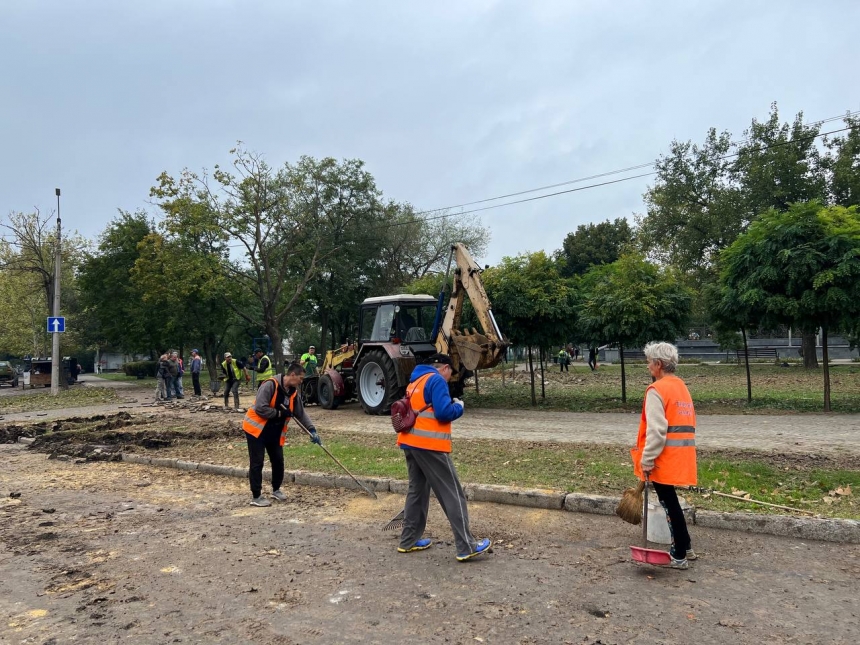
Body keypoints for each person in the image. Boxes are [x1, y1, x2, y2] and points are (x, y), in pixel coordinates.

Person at [397, 353, 491, 562]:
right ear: (445, 368)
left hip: (409, 443)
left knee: (417, 492)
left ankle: (408, 540)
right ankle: (467, 545)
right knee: (453, 493)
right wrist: (459, 407)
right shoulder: (436, 380)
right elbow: (443, 413)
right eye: (451, 373)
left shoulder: (415, 381)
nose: (449, 378)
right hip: (430, 445)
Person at [631, 341, 698, 570]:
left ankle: (679, 554)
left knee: (669, 504)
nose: (648, 366)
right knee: (672, 502)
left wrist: (647, 460)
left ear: (658, 364)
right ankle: (686, 545)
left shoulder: (656, 390)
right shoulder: (681, 386)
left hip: (663, 458)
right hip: (681, 455)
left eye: (649, 362)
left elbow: (657, 431)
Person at [242, 362, 321, 506]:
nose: (301, 382)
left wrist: (312, 430)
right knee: (257, 461)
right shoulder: (269, 385)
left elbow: (301, 414)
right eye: (301, 378)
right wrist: (279, 413)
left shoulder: (293, 392)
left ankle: (276, 489)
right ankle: (256, 496)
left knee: (278, 460)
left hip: (274, 431)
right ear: (292, 375)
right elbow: (260, 408)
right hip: (256, 430)